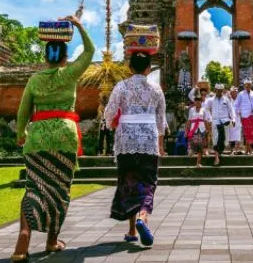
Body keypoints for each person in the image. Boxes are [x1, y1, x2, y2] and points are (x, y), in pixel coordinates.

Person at [12, 16, 93, 259]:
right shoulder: (70, 74)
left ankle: (23, 239)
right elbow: (90, 50)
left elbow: (23, 111)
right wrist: (78, 25)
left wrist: (20, 134)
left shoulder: (35, 79)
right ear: (65, 57)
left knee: (33, 187)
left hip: (37, 138)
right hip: (65, 138)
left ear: (46, 57)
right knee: (59, 189)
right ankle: (52, 240)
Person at [104, 50, 167, 246]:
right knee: (148, 182)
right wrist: (161, 146)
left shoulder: (121, 87)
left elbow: (110, 111)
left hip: (126, 139)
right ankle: (142, 218)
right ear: (149, 68)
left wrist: (110, 124)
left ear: (130, 68)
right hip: (148, 138)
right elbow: (160, 120)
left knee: (129, 181)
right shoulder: (156, 89)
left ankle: (132, 230)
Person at [204, 83, 236, 166]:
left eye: (221, 91)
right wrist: (209, 118)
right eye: (218, 90)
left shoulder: (226, 99)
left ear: (222, 91)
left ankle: (220, 151)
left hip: (225, 121)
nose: (219, 92)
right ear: (215, 90)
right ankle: (216, 157)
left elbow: (231, 109)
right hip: (215, 121)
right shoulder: (210, 100)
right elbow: (206, 109)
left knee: (225, 141)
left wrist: (233, 119)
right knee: (216, 139)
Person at [186, 94, 211, 168]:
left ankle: (198, 163)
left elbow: (205, 120)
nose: (197, 102)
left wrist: (207, 129)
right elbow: (189, 120)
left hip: (201, 128)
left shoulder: (204, 109)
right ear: (194, 101)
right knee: (194, 142)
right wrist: (187, 130)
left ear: (201, 101)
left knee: (200, 146)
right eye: (196, 100)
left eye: (199, 100)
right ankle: (192, 149)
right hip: (193, 128)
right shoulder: (191, 109)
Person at [226, 86, 243, 154]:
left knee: (237, 135)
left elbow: (242, 110)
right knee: (231, 135)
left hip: (238, 120)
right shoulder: (228, 100)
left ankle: (237, 149)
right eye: (232, 92)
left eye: (235, 92)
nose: (234, 93)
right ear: (231, 93)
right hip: (231, 120)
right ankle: (232, 150)